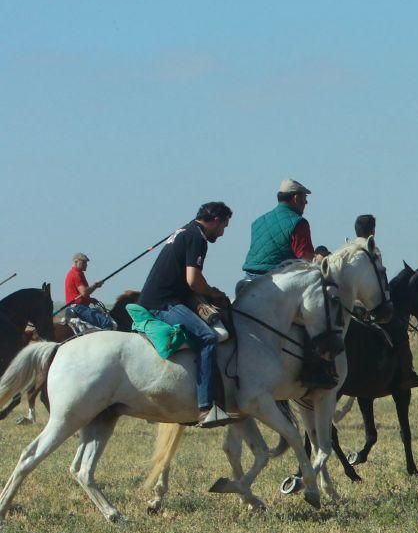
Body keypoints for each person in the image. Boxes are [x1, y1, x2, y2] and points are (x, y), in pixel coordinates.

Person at [138, 202, 234, 428]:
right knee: (208, 338)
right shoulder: (197, 237)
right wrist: (212, 292)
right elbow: (193, 279)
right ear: (216, 220)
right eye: (223, 227)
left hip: (159, 298)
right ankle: (205, 407)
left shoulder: (185, 231)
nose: (221, 234)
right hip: (163, 304)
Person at [241, 179, 335, 389]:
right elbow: (305, 259)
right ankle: (316, 372)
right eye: (304, 199)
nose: (306, 204)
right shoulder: (298, 222)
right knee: (316, 318)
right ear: (295, 198)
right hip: (274, 284)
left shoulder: (258, 221)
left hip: (248, 282)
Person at [352, 213, 418, 388]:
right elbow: (379, 281)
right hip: (371, 306)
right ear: (373, 230)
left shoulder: (348, 249)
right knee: (400, 333)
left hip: (351, 307)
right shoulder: (372, 249)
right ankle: (407, 374)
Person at [64, 253, 115, 330]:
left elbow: (77, 294)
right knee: (107, 323)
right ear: (76, 262)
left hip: (78, 306)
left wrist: (90, 300)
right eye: (84, 262)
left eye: (86, 263)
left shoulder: (75, 273)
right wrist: (95, 286)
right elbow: (84, 292)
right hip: (79, 308)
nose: (86, 265)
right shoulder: (76, 274)